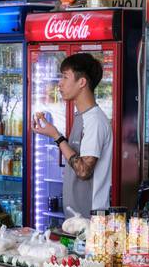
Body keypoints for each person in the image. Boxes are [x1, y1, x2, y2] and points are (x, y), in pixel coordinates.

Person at [30, 51, 112, 219]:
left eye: (65, 77)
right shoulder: (81, 116)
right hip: (78, 219)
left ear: (82, 82)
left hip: (91, 221)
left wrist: (57, 137)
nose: (59, 84)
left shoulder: (94, 120)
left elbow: (83, 171)